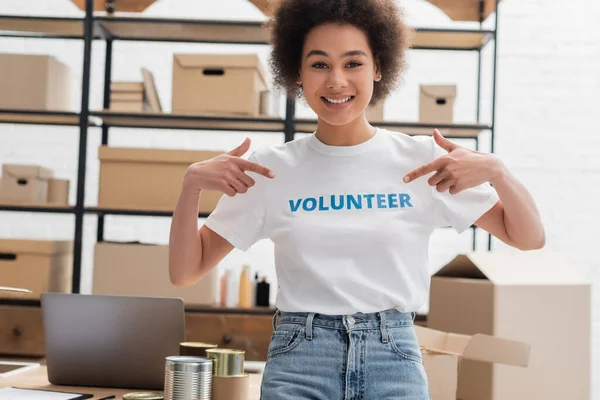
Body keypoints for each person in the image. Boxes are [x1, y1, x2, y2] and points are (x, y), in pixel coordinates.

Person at [168, 0, 546, 398]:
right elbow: (185, 271)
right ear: (297, 71)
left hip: (393, 359)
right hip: (300, 361)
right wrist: (191, 185)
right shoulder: (270, 171)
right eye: (319, 64)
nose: (336, 81)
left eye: (352, 63)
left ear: (378, 67)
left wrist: (498, 171)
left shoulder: (423, 162)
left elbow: (527, 237)